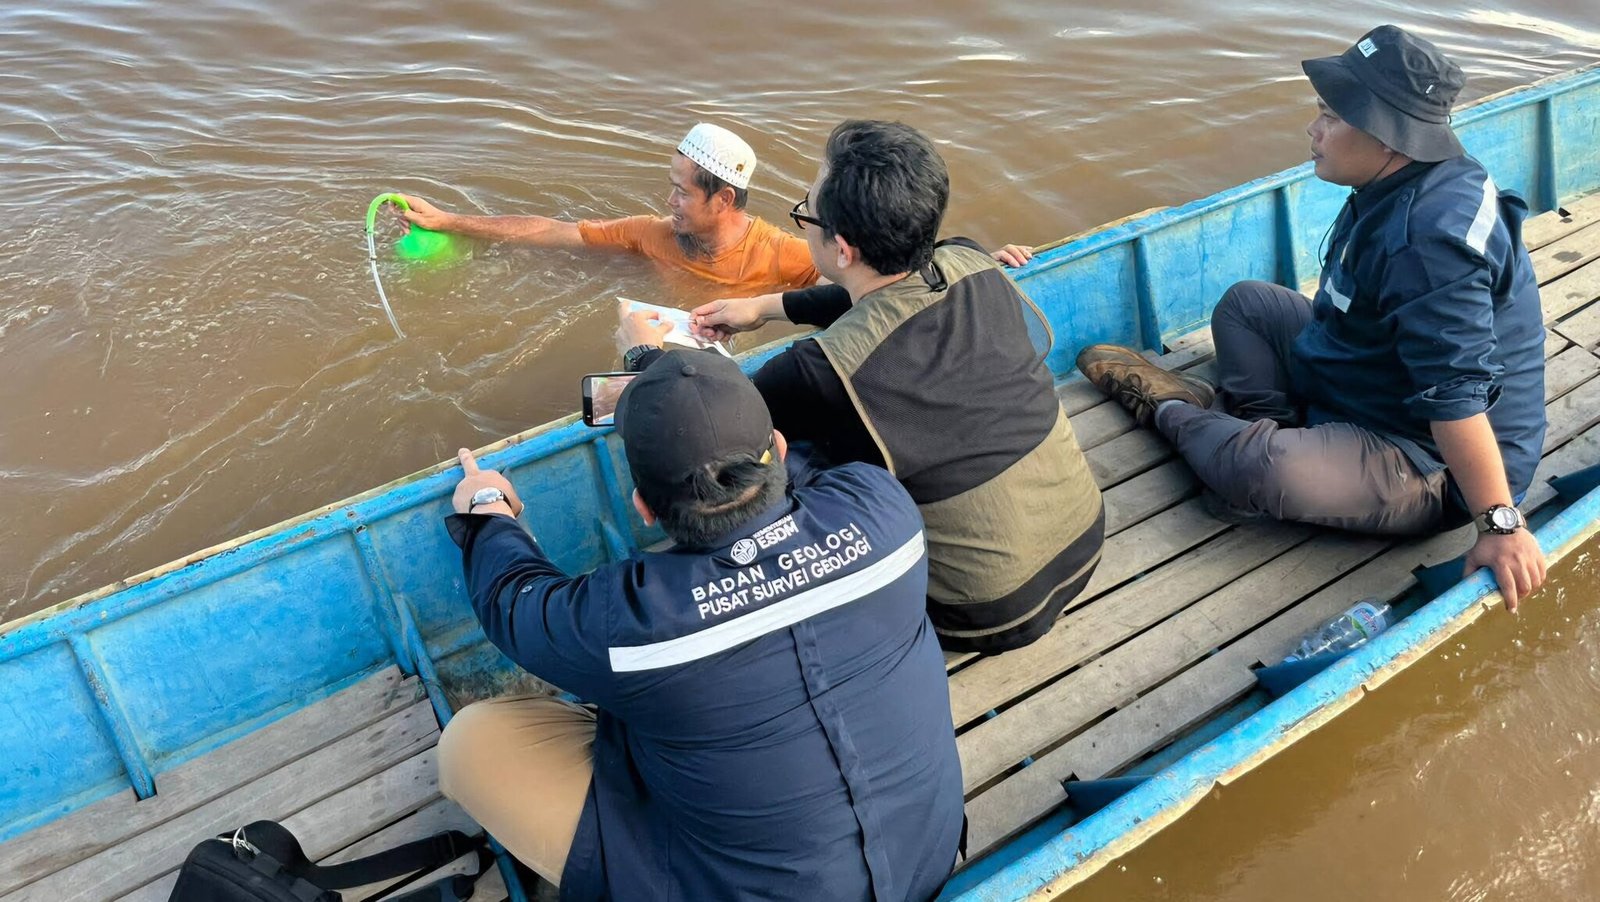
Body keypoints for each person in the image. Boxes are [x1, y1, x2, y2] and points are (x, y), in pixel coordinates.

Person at [437, 350, 965, 900]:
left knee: (471, 744)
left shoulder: (629, 620)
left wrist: (488, 507)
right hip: (925, 857)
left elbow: (512, 598)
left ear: (643, 507)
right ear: (779, 449)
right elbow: (807, 474)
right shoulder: (882, 506)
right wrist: (694, 389)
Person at [1074, 25, 1548, 611]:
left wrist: (1500, 525)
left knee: (1257, 470)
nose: (1313, 128)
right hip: (1369, 374)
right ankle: (1273, 430)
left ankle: (1174, 409)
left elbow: (1455, 398)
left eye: (1331, 115)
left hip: (1432, 459)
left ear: (1387, 136)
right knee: (1247, 304)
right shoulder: (1410, 176)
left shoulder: (1430, 242)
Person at [620, 120, 1104, 654]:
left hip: (977, 613)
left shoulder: (817, 369)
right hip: (1084, 540)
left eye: (806, 212)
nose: (803, 220)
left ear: (844, 251)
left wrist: (647, 356)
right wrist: (763, 307)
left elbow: (710, 421)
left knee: (775, 460)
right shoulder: (969, 261)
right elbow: (884, 297)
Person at [395, 122, 822, 295]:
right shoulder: (650, 234)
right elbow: (554, 231)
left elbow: (847, 293)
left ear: (724, 199)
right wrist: (449, 221)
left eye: (682, 192)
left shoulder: (784, 254)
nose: (670, 202)